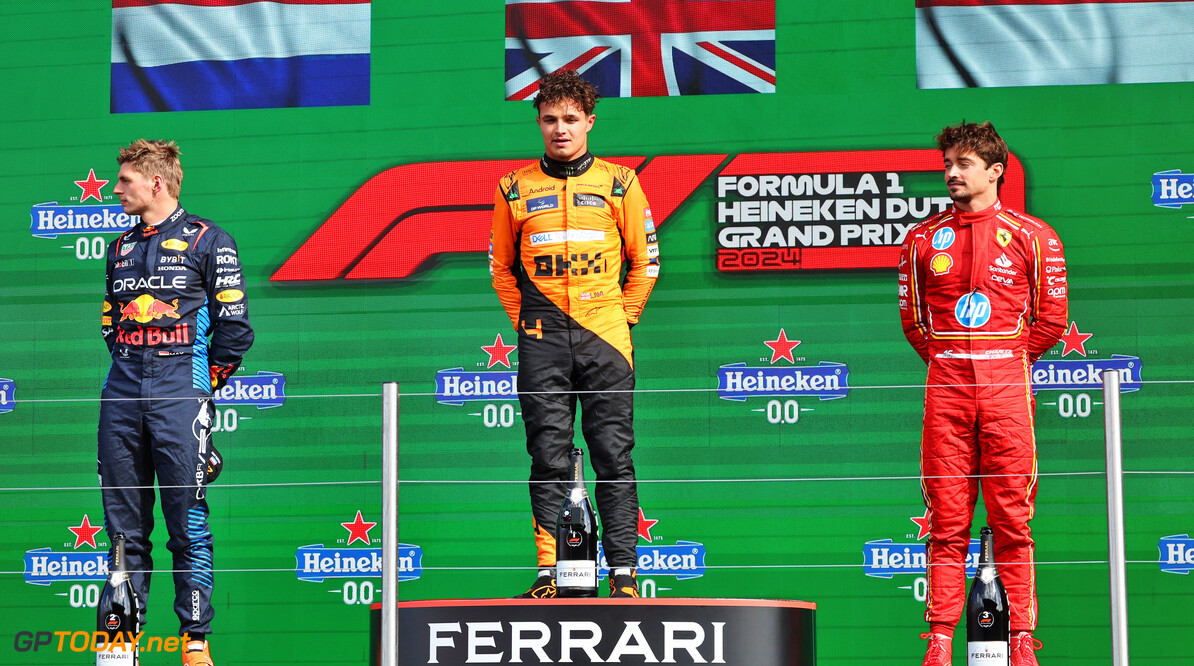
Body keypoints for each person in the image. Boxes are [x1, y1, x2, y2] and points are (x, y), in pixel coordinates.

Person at [898, 121, 1067, 666]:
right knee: (946, 522)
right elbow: (914, 322)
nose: (950, 172)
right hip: (945, 385)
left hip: (1007, 389)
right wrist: (956, 360)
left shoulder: (1033, 235)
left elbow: (1050, 320)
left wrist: (1002, 360)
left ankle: (1021, 642)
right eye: (947, 163)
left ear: (995, 171)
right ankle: (939, 643)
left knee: (1012, 520)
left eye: (962, 164)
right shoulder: (922, 239)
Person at [489, 69, 660, 599]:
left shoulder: (620, 182)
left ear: (589, 121)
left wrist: (621, 317)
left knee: (613, 453)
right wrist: (530, 322)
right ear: (538, 123)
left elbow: (646, 261)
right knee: (547, 454)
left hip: (606, 336)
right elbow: (501, 268)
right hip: (542, 338)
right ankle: (550, 573)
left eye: (569, 119)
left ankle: (625, 574)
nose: (559, 129)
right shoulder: (514, 187)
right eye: (549, 120)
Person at [100, 139, 253, 666]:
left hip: (179, 389)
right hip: (121, 390)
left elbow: (235, 328)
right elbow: (109, 322)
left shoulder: (210, 240)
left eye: (124, 181)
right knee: (122, 526)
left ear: (155, 183)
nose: (116, 189)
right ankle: (119, 645)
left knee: (186, 519)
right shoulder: (118, 247)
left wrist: (200, 386)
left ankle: (194, 642)